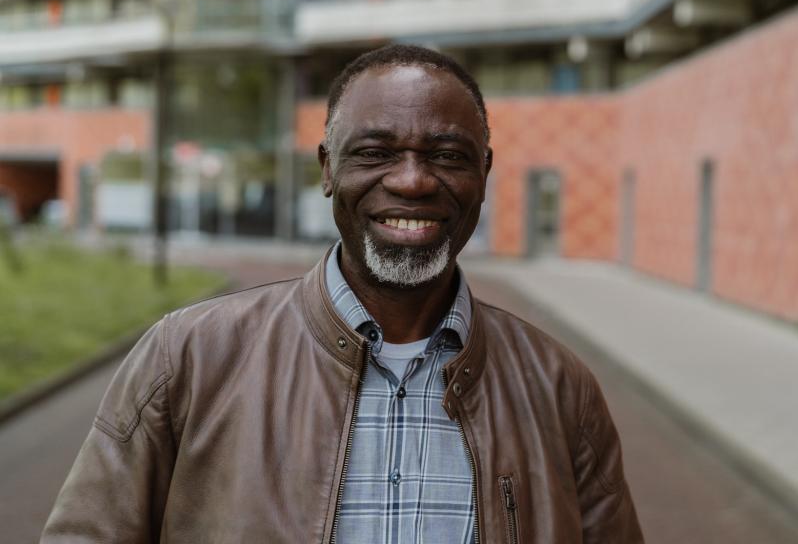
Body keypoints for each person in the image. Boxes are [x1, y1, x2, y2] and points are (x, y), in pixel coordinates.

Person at [42, 45, 643, 543]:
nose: (412, 180)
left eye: (447, 155)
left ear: (483, 173)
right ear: (328, 169)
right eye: (376, 153)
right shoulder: (187, 359)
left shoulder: (561, 388)